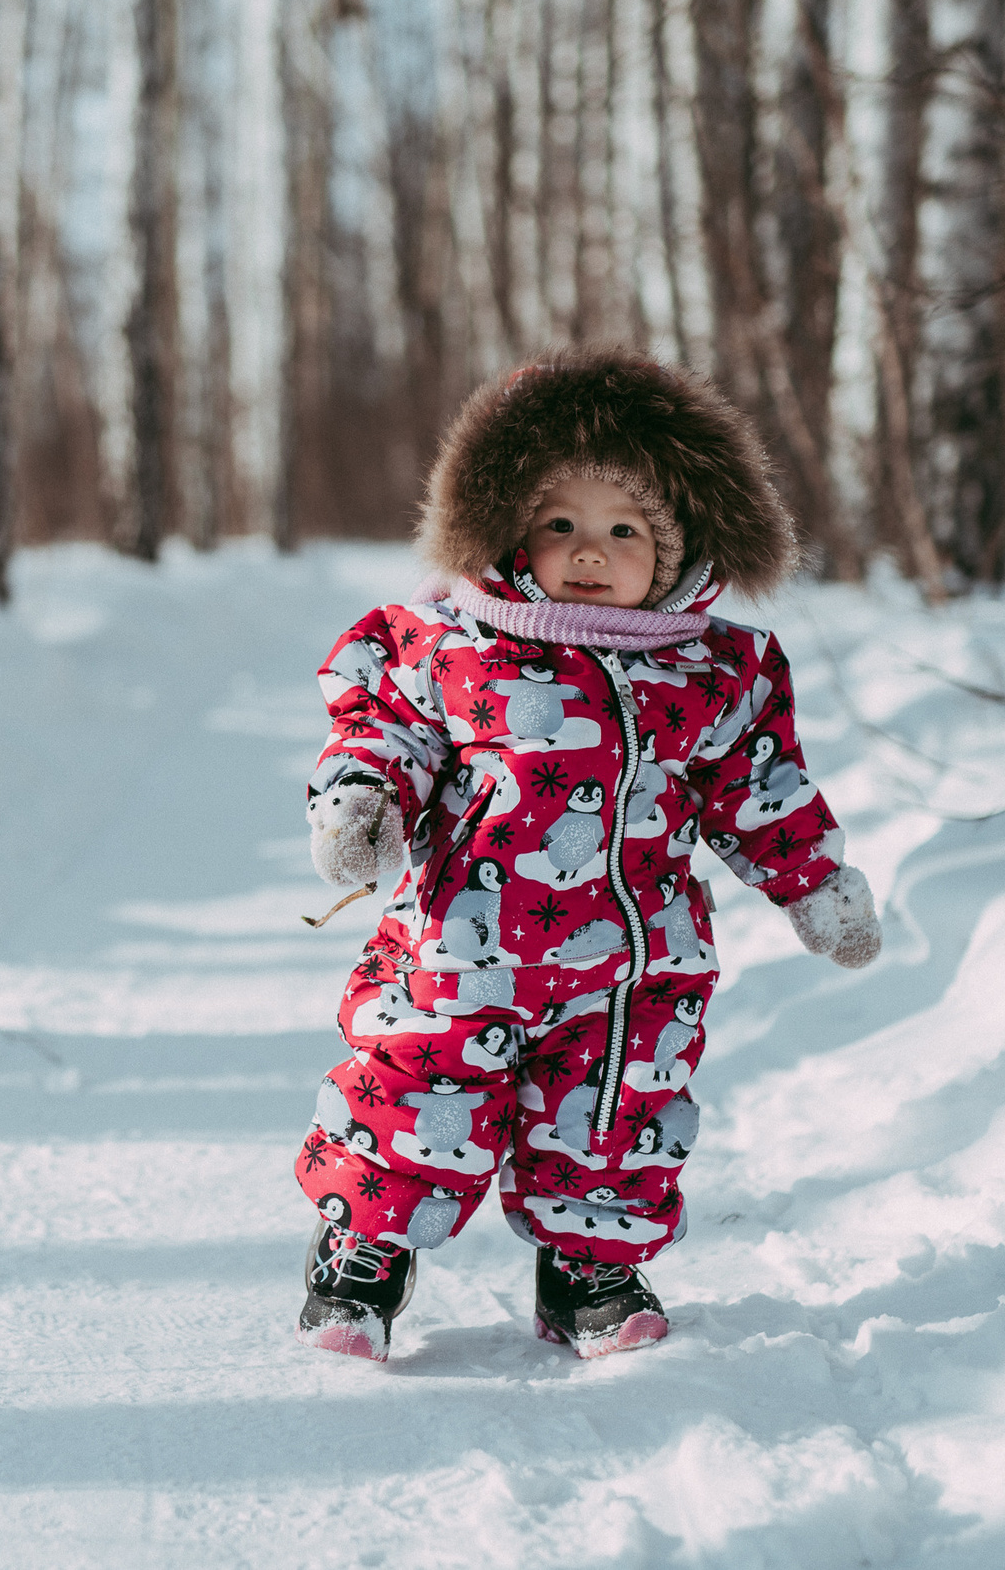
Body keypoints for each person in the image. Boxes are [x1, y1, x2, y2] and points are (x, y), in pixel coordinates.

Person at [293, 348, 882, 1363]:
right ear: (508, 530)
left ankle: (589, 1271)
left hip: (634, 966)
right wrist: (361, 801)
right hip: (461, 953)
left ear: (684, 545)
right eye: (560, 524)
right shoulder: (450, 643)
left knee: (615, 1113)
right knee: (412, 1098)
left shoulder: (712, 669)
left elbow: (760, 787)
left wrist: (815, 884)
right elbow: (384, 727)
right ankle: (363, 1251)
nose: (591, 551)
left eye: (625, 530)